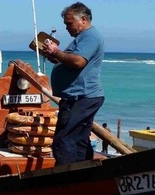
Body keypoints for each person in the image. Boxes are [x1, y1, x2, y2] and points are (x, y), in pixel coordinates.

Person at [42, 2, 105, 165]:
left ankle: (66, 179)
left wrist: (56, 52)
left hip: (81, 96)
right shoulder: (83, 38)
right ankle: (83, 174)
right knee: (79, 139)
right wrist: (56, 57)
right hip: (83, 96)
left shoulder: (90, 36)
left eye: (69, 24)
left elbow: (78, 62)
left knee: (64, 140)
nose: (67, 28)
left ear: (83, 20)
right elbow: (71, 61)